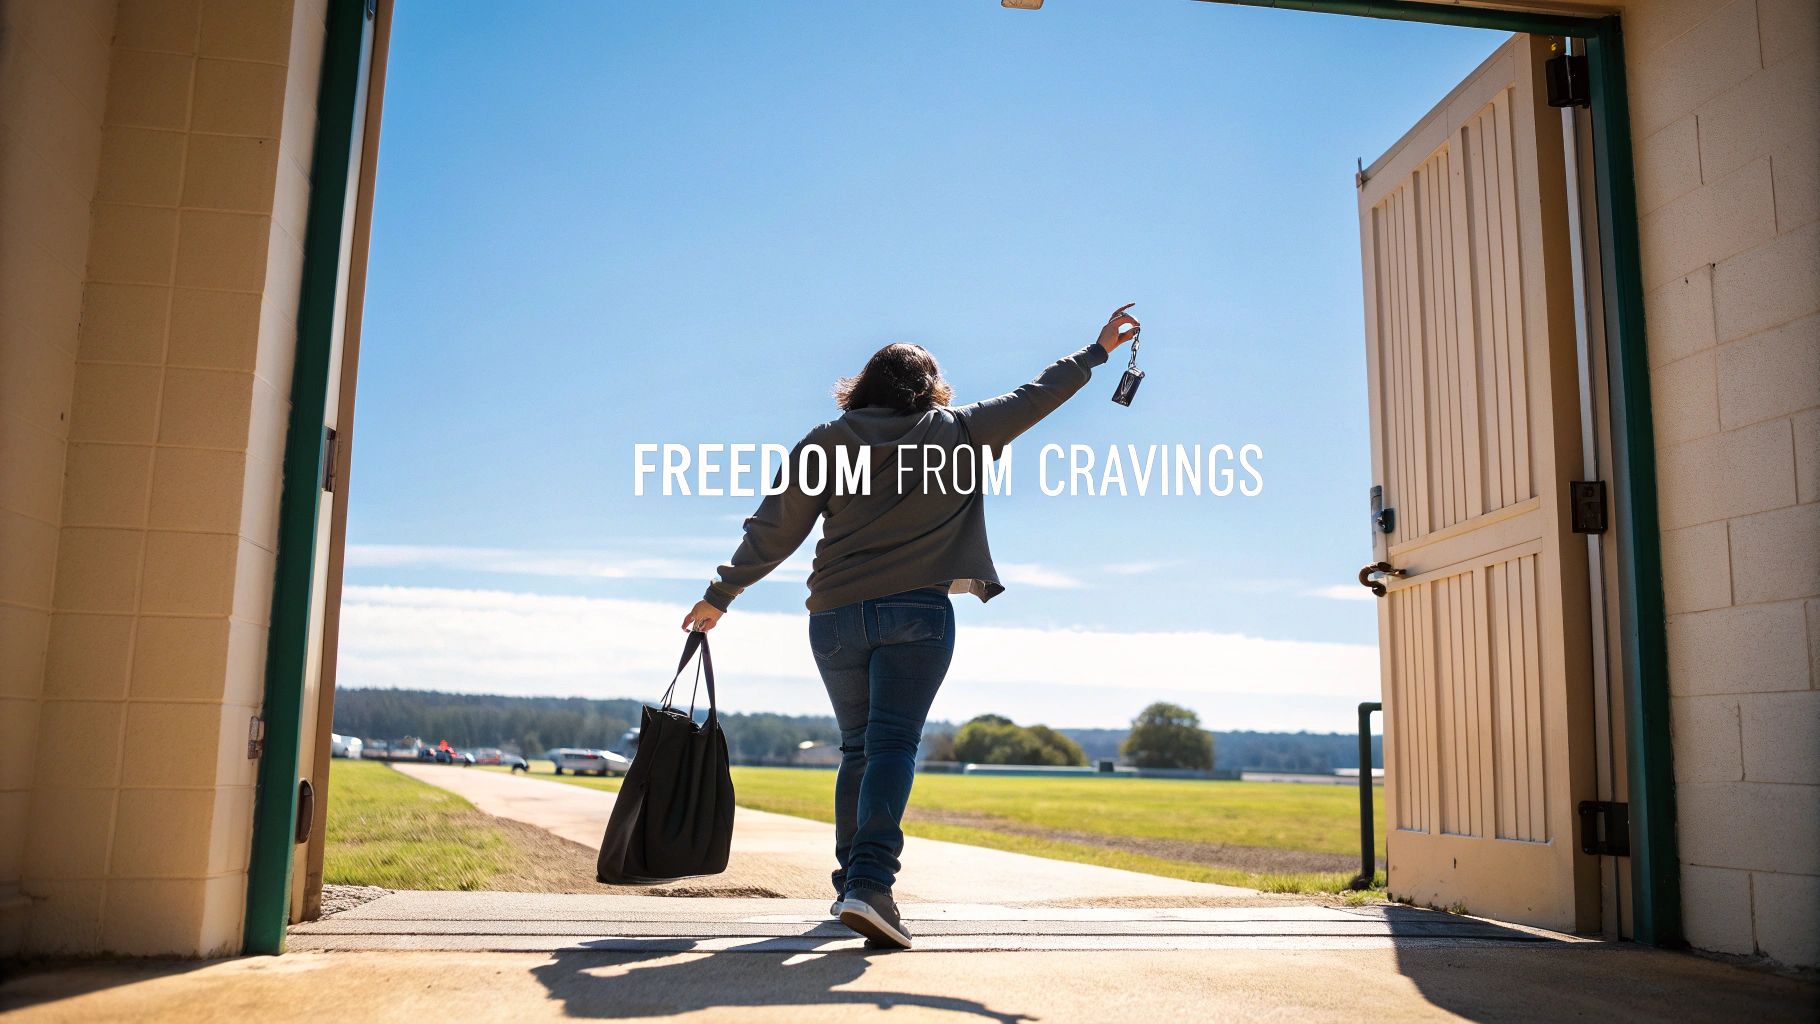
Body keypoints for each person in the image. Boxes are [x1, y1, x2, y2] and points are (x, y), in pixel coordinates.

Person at [681, 304, 1141, 949]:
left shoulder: (827, 439)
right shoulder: (961, 430)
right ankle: (870, 886)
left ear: (866, 384)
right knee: (892, 746)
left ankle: (852, 885)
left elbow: (776, 526)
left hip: (836, 617)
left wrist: (721, 594)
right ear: (930, 388)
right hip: (918, 613)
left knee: (857, 749)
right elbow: (1040, 395)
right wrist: (1095, 352)